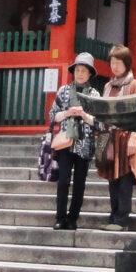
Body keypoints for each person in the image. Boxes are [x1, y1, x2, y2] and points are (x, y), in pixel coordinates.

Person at [93, 45, 136, 230]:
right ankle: (113, 215)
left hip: (126, 135)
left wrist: (134, 138)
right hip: (109, 136)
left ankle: (122, 218)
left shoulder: (134, 85)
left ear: (126, 63)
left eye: (118, 62)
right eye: (112, 62)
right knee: (111, 177)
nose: (114, 66)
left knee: (123, 178)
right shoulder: (108, 86)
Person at [47, 51, 99, 230]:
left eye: (84, 70)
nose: (80, 73)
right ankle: (60, 217)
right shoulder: (64, 91)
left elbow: (99, 122)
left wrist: (84, 115)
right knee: (63, 180)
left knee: (79, 183)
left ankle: (73, 218)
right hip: (65, 142)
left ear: (90, 73)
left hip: (85, 144)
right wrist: (68, 113)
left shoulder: (94, 94)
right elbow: (52, 115)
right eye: (77, 70)